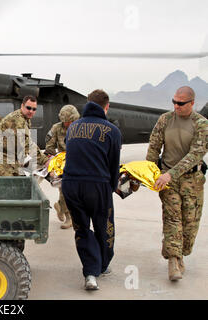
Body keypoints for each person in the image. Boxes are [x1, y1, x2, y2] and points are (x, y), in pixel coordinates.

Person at [61, 90, 122, 290]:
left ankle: (90, 273)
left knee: (82, 229)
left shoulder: (72, 128)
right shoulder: (112, 131)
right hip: (97, 185)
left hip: (70, 184)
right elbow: (114, 165)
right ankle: (102, 266)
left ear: (87, 104)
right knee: (104, 226)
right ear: (107, 106)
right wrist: (113, 187)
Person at [146, 86, 208, 281]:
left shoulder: (201, 124)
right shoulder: (165, 120)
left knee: (190, 225)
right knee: (173, 220)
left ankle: (182, 254)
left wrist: (170, 174)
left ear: (192, 103)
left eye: (180, 103)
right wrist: (148, 174)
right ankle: (173, 260)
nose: (176, 106)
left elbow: (195, 154)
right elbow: (154, 147)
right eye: (173, 102)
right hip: (167, 180)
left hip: (192, 180)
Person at [0, 95, 49, 176]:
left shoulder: (26, 119)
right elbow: (26, 145)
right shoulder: (17, 120)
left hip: (13, 160)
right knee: (6, 187)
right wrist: (44, 160)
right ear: (22, 106)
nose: (31, 111)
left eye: (34, 109)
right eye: (28, 108)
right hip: (3, 162)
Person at [44, 104, 80, 229]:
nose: (66, 124)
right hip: (62, 164)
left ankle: (60, 206)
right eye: (64, 122)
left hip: (78, 163)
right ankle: (68, 217)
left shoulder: (81, 128)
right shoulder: (56, 128)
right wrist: (55, 160)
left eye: (69, 122)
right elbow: (49, 148)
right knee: (65, 189)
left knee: (76, 192)